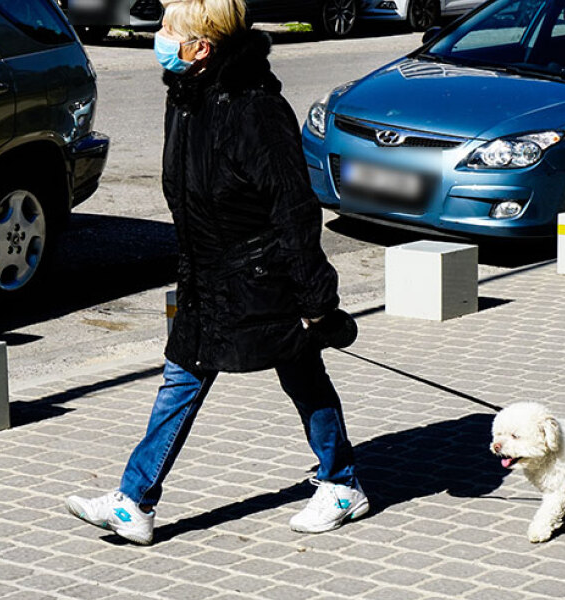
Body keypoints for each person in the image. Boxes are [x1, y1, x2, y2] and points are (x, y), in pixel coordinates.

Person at [65, 0, 366, 546]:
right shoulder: (185, 97)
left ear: (200, 48)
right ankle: (134, 501)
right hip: (204, 275)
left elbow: (294, 209)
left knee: (300, 371)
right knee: (182, 376)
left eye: (167, 29)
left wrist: (317, 301)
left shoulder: (256, 109)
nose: (158, 36)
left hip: (262, 275)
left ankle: (342, 484)